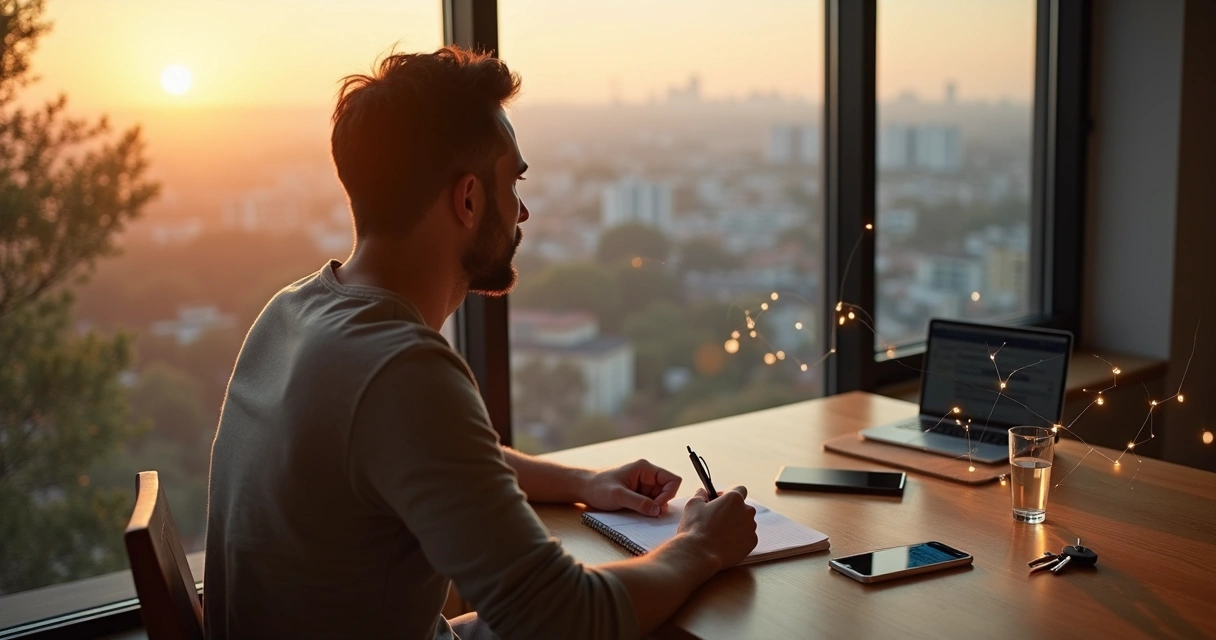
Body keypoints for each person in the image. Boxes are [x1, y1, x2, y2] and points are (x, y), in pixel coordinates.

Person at [204, 46, 758, 640]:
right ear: (468, 199)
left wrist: (583, 483)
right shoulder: (402, 370)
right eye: (513, 182)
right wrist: (700, 546)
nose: (522, 211)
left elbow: (427, 456)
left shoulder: (292, 311)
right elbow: (565, 615)